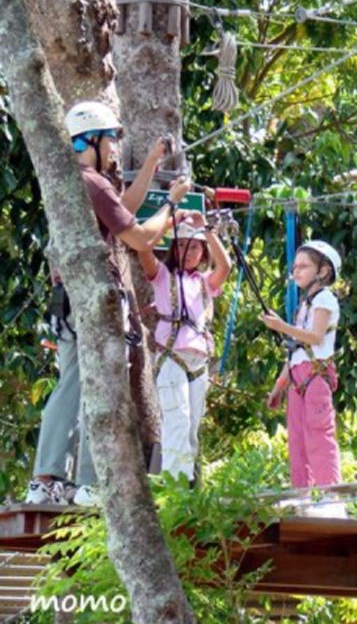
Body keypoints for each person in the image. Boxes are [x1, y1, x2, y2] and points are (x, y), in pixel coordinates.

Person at [25, 101, 191, 507]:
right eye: (111, 141)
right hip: (95, 300)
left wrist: (150, 164)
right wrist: (171, 206)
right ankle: (90, 482)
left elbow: (121, 211)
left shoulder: (71, 182)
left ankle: (48, 478)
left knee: (72, 384)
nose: (115, 149)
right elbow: (140, 237)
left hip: (69, 301)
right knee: (103, 387)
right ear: (90, 141)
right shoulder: (93, 183)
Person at [137, 216, 231, 482]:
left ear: (203, 252)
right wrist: (168, 223)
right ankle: (175, 484)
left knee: (191, 426)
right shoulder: (162, 276)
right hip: (172, 355)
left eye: (194, 247)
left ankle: (185, 483)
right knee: (177, 418)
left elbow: (226, 265)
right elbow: (144, 249)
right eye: (181, 245)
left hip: (198, 360)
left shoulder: (204, 282)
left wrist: (207, 230)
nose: (187, 252)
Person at [260, 240, 344, 516]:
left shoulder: (325, 299)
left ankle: (331, 495)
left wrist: (281, 326)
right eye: (295, 267)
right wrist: (278, 387)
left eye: (304, 266)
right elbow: (295, 352)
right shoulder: (305, 304)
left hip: (315, 375)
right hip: (298, 376)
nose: (296, 271)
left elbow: (315, 337)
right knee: (297, 437)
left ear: (323, 271)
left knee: (319, 433)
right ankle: (302, 495)